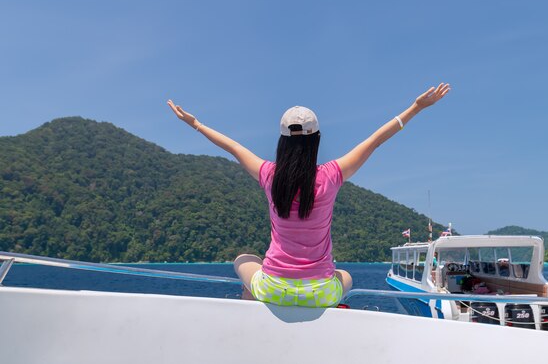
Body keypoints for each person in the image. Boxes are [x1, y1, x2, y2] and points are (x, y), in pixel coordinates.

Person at [167, 82, 450, 307]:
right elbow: (374, 140)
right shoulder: (331, 175)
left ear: (282, 140)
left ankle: (253, 323)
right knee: (346, 276)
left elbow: (233, 147)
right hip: (321, 293)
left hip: (273, 289)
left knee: (242, 259)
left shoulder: (269, 175)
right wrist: (416, 107)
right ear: (316, 139)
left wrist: (196, 124)